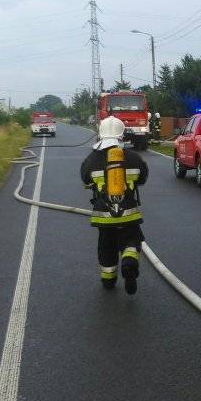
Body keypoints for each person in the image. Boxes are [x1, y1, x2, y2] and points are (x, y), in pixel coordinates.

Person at [80, 116, 149, 294]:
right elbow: (142, 178)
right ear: (122, 135)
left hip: (103, 216)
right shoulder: (133, 158)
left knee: (106, 245)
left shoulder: (92, 159)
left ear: (101, 134)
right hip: (129, 215)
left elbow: (85, 179)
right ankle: (129, 261)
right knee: (132, 240)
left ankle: (108, 280)